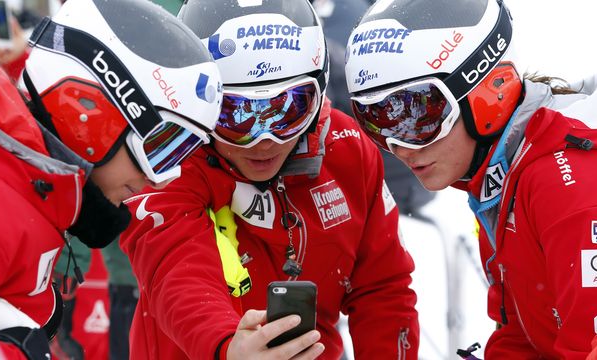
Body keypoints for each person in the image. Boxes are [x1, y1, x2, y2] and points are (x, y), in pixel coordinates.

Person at [120, 0, 420, 359]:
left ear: (319, 92)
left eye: (288, 109)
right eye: (235, 114)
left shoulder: (348, 150)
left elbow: (383, 290)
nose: (264, 140)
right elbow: (175, 270)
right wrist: (226, 347)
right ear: (199, 104)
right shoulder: (173, 156)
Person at [0, 0, 223, 358]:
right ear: (89, 111)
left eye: (180, 155)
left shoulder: (33, 188)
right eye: (160, 148)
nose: (161, 182)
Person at [344, 0, 597, 358]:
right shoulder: (504, 171)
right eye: (376, 121)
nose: (398, 146)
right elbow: (521, 336)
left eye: (418, 116)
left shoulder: (563, 181)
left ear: (490, 91)